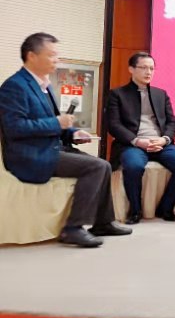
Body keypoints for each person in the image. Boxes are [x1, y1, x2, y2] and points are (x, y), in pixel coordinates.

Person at [0, 32, 131, 247]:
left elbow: (55, 124)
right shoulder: (14, 86)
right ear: (32, 56)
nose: (57, 60)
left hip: (51, 148)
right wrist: (57, 124)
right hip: (29, 155)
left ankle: (103, 222)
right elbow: (15, 128)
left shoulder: (44, 85)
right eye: (51, 55)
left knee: (104, 165)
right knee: (96, 167)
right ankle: (73, 228)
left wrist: (73, 134)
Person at [106, 52, 175, 224]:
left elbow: (172, 122)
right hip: (133, 143)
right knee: (134, 166)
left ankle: (165, 208)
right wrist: (138, 141)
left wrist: (164, 139)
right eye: (144, 68)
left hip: (160, 142)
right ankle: (135, 210)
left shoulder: (161, 94)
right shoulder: (117, 94)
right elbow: (114, 125)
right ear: (131, 69)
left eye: (152, 68)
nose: (148, 72)